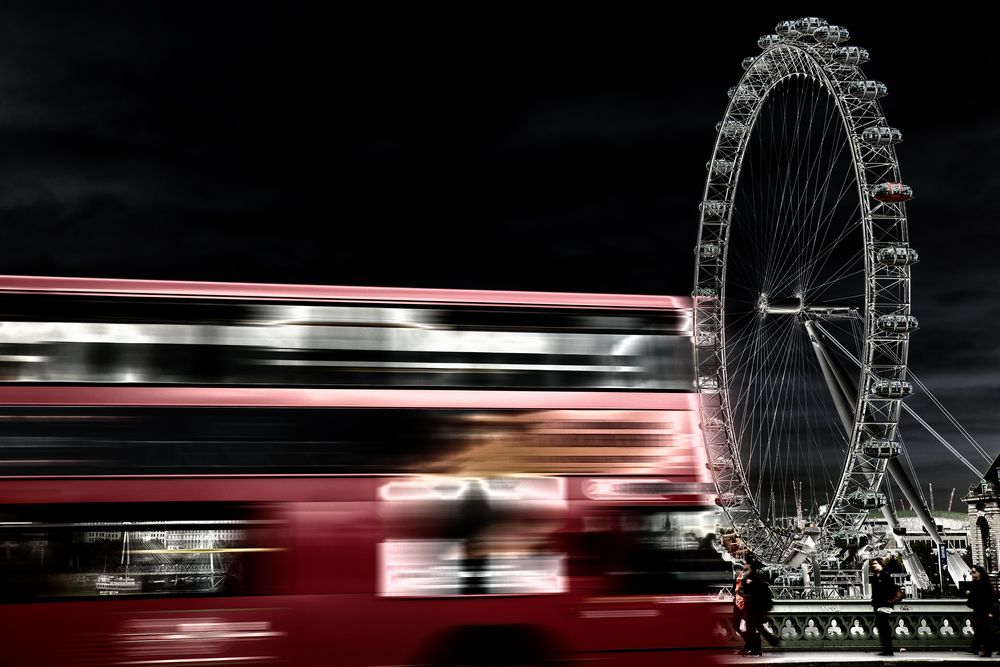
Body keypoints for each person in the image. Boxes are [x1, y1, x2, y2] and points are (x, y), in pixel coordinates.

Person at [733, 557, 780, 656]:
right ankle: (754, 646)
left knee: (752, 627)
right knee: (743, 626)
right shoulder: (742, 577)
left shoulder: (754, 577)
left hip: (750, 606)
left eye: (744, 564)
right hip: (741, 605)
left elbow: (755, 592)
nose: (739, 570)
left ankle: (755, 648)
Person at [965, 564, 996, 657]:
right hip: (978, 610)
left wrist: (991, 612)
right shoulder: (974, 584)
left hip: (986, 610)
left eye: (974, 572)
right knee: (978, 628)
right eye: (971, 572)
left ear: (980, 573)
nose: (972, 574)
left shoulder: (986, 584)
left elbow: (991, 599)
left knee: (984, 629)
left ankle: (983, 649)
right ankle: (975, 647)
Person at [870, 558, 898, 656]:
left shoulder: (885, 576)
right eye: (872, 564)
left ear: (881, 564)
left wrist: (887, 602)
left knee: (883, 627)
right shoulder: (875, 576)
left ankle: (888, 650)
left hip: (884, 605)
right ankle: (887, 649)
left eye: (875, 563)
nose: (873, 565)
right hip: (879, 606)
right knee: (882, 627)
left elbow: (889, 590)